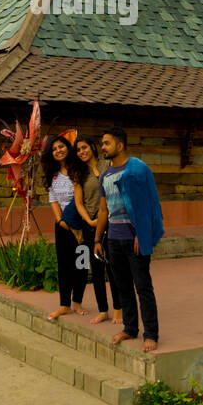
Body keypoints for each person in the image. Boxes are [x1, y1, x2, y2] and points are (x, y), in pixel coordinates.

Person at [93, 126, 164, 353]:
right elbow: (103, 212)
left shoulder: (138, 169)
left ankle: (150, 333)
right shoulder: (105, 176)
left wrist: (142, 234)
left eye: (106, 143)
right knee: (122, 286)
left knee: (143, 287)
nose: (102, 147)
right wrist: (97, 240)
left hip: (133, 238)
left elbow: (149, 204)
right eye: (102, 143)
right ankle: (130, 327)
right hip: (113, 238)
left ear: (120, 145)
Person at [73, 134, 122, 326]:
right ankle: (103, 310)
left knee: (114, 267)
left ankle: (118, 309)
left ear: (93, 147)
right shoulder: (79, 173)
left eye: (84, 147)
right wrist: (89, 222)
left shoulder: (108, 166)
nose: (81, 152)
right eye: (78, 150)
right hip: (90, 224)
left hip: (111, 221)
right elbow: (78, 203)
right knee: (97, 269)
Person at [41, 134, 87, 321]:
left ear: (68, 148)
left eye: (61, 146)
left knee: (81, 263)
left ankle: (77, 301)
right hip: (62, 226)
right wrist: (60, 220)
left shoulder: (80, 170)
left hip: (82, 224)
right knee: (64, 264)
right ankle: (64, 304)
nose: (58, 150)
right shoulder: (52, 174)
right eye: (54, 149)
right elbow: (53, 199)